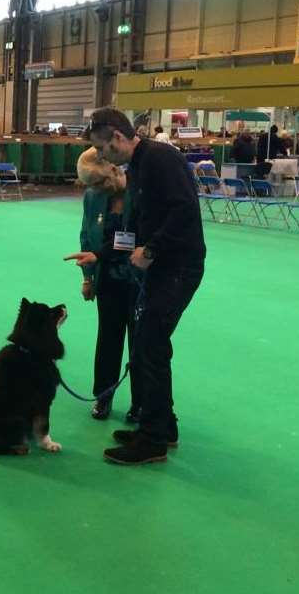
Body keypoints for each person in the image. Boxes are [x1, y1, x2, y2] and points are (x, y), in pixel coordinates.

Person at [86, 108, 205, 466]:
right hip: (161, 268)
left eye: (103, 149)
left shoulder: (160, 159)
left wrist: (152, 249)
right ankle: (162, 427)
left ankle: (152, 440)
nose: (103, 158)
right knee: (149, 346)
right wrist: (98, 255)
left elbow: (184, 211)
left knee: (149, 346)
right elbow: (132, 229)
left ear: (118, 139)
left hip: (179, 267)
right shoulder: (138, 168)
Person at [64, 148, 142, 423]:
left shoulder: (139, 192)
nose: (95, 189)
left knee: (140, 343)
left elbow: (137, 237)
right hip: (108, 278)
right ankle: (103, 396)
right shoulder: (94, 197)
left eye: (97, 182)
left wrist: (101, 255)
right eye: (91, 185)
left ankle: (140, 403)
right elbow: (87, 235)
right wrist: (87, 277)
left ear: (113, 169)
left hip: (139, 280)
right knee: (108, 340)